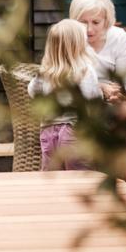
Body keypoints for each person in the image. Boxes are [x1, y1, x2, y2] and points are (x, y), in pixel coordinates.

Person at [28, 19, 104, 171]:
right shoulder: (84, 71)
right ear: (78, 46)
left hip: (48, 130)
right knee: (78, 174)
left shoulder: (44, 73)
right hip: (74, 130)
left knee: (52, 176)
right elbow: (93, 98)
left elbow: (32, 92)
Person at [68, 0, 126, 103]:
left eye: (96, 22)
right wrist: (100, 87)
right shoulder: (67, 38)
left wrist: (121, 95)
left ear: (107, 21)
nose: (89, 29)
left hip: (111, 104)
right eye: (83, 22)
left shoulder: (119, 37)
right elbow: (62, 84)